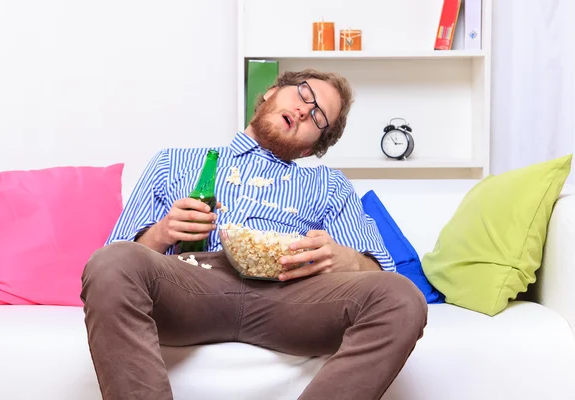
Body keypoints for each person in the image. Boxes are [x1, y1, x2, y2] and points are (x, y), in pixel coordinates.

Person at [80, 69, 428, 400]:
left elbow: (383, 273)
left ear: (311, 147)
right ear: (272, 93)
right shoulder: (173, 162)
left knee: (402, 298)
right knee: (111, 264)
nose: (306, 111)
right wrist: (161, 233)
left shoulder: (328, 185)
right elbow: (114, 258)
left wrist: (349, 260)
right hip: (190, 285)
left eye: (320, 118)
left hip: (291, 294)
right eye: (304, 93)